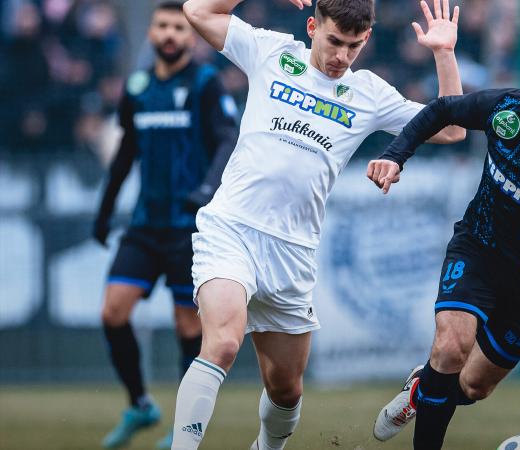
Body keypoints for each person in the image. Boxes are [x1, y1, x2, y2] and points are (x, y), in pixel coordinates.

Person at [172, 0, 464, 448]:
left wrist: (444, 53)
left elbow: (451, 129)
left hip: (293, 254)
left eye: (353, 46)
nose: (340, 57)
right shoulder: (273, 53)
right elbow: (197, 12)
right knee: (224, 342)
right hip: (233, 229)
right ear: (312, 26)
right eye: (333, 42)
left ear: (365, 41)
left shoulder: (368, 93)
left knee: (286, 391)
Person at [368, 61, 520, 450]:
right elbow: (443, 110)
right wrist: (395, 155)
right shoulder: (506, 112)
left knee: (472, 385)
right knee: (451, 347)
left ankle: (423, 389)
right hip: (478, 248)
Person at [92, 2, 238, 448]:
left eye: (179, 26)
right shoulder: (136, 87)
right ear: (153, 32)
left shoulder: (206, 83)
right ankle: (139, 404)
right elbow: (123, 155)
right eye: (163, 26)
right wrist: (104, 209)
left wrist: (207, 188)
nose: (170, 33)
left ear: (191, 36)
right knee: (112, 312)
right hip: (144, 225)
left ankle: (181, 430)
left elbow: (228, 139)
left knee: (188, 329)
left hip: (187, 228)